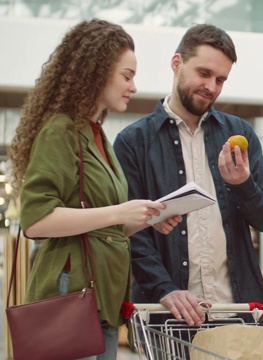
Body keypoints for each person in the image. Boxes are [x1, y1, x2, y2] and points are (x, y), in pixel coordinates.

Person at [8, 19, 181, 360]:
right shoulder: (61, 131)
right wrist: (121, 211)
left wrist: (144, 218)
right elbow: (36, 220)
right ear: (97, 71)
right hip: (72, 293)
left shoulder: (97, 136)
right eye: (127, 75)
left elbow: (100, 222)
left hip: (101, 296)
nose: (133, 86)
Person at [113, 24, 263, 327]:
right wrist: (164, 289)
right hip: (168, 317)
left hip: (239, 310)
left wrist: (243, 185)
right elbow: (129, 232)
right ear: (177, 63)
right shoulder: (134, 142)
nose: (212, 87)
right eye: (204, 74)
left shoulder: (239, 134)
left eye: (221, 80)